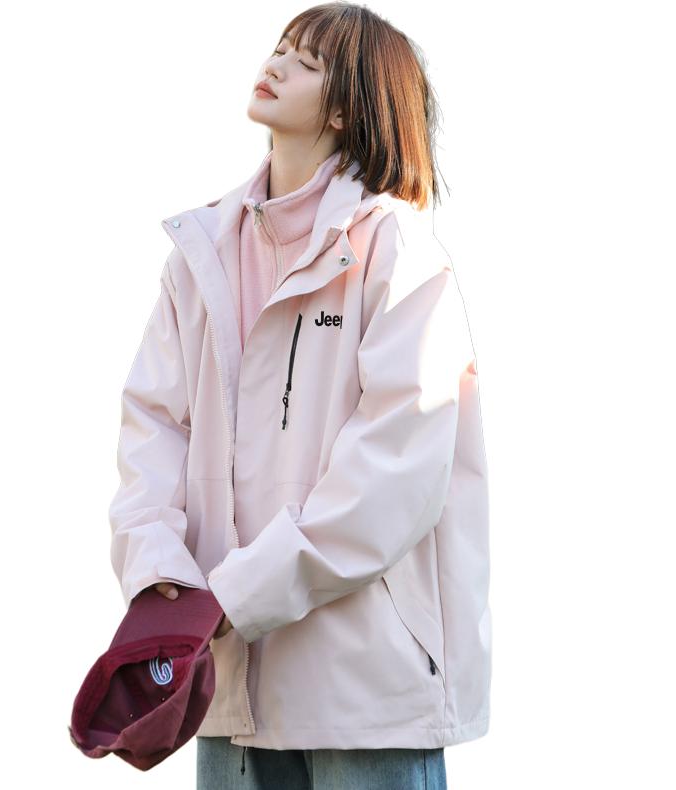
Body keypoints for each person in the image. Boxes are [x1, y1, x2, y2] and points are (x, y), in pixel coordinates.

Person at [108, 3, 491, 788]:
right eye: (280, 47)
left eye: (307, 61)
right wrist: (160, 577)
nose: (276, 63)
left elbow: (396, 471)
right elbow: (152, 427)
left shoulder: (396, 251)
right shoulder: (198, 255)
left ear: (347, 106)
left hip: (366, 690)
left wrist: (232, 596)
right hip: (228, 684)